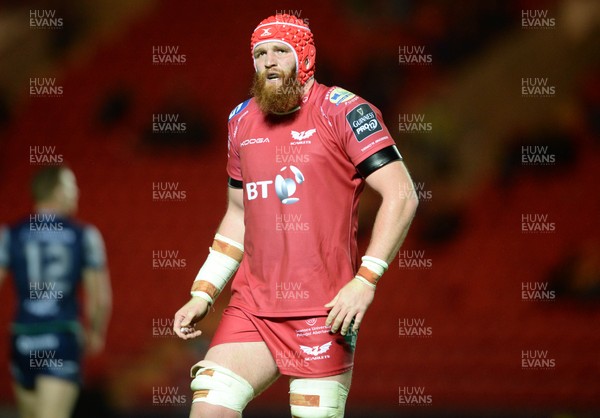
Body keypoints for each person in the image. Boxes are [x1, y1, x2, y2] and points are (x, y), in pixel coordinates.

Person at [173, 13, 418, 418]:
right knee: (208, 407)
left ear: (303, 58)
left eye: (280, 52)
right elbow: (239, 213)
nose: (268, 61)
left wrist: (366, 280)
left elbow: (402, 193)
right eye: (260, 53)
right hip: (253, 306)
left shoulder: (344, 110)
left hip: (324, 312)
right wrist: (204, 291)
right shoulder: (240, 121)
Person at [0, 165, 112, 418]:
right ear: (58, 191)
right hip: (61, 336)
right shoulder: (83, 236)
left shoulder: (10, 235)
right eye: (72, 186)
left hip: (23, 336)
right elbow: (100, 298)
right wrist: (96, 331)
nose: (77, 192)